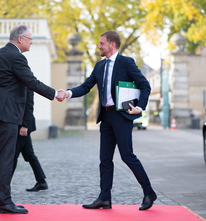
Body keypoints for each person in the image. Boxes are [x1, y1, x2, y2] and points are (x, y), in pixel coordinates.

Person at [60, 31, 157, 211]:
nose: (99, 46)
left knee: (127, 156)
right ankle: (104, 198)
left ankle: (149, 192)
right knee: (104, 159)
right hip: (105, 117)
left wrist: (140, 107)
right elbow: (85, 86)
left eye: (101, 43)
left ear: (112, 45)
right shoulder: (99, 66)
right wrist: (68, 93)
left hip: (121, 116)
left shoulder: (127, 63)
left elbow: (145, 85)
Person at [0, 24, 65, 214]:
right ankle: (4, 202)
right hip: (7, 113)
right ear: (20, 39)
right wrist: (54, 93)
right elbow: (31, 82)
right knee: (6, 158)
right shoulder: (17, 57)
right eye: (30, 38)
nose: (32, 42)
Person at [0, 88, 48, 192]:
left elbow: (29, 105)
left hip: (22, 127)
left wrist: (24, 125)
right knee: (29, 154)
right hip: (18, 124)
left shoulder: (27, 84)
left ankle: (2, 185)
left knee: (13, 155)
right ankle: (41, 182)